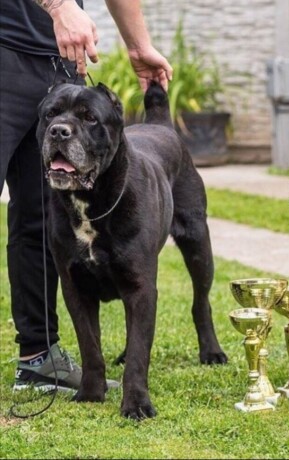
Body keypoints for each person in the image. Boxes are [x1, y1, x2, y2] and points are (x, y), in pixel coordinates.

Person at [0, 0, 173, 391]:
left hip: (59, 59)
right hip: (5, 50)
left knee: (40, 219)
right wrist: (59, 6)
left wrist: (137, 44)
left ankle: (37, 357)